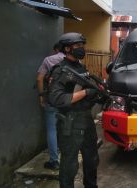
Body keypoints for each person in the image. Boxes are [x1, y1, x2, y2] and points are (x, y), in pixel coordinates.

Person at [48, 32, 100, 188]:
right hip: (70, 124)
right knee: (69, 165)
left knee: (92, 160)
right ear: (67, 48)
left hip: (86, 120)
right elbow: (57, 99)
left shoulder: (80, 67)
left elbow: (85, 90)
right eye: (77, 46)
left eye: (82, 45)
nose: (81, 48)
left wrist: (96, 95)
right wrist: (85, 93)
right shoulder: (60, 70)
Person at [36, 42, 65, 170]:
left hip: (52, 99)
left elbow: (39, 79)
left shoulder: (48, 60)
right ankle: (67, 156)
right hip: (68, 100)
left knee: (52, 129)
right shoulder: (73, 61)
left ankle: (54, 161)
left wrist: (41, 95)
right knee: (65, 127)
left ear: (56, 49)